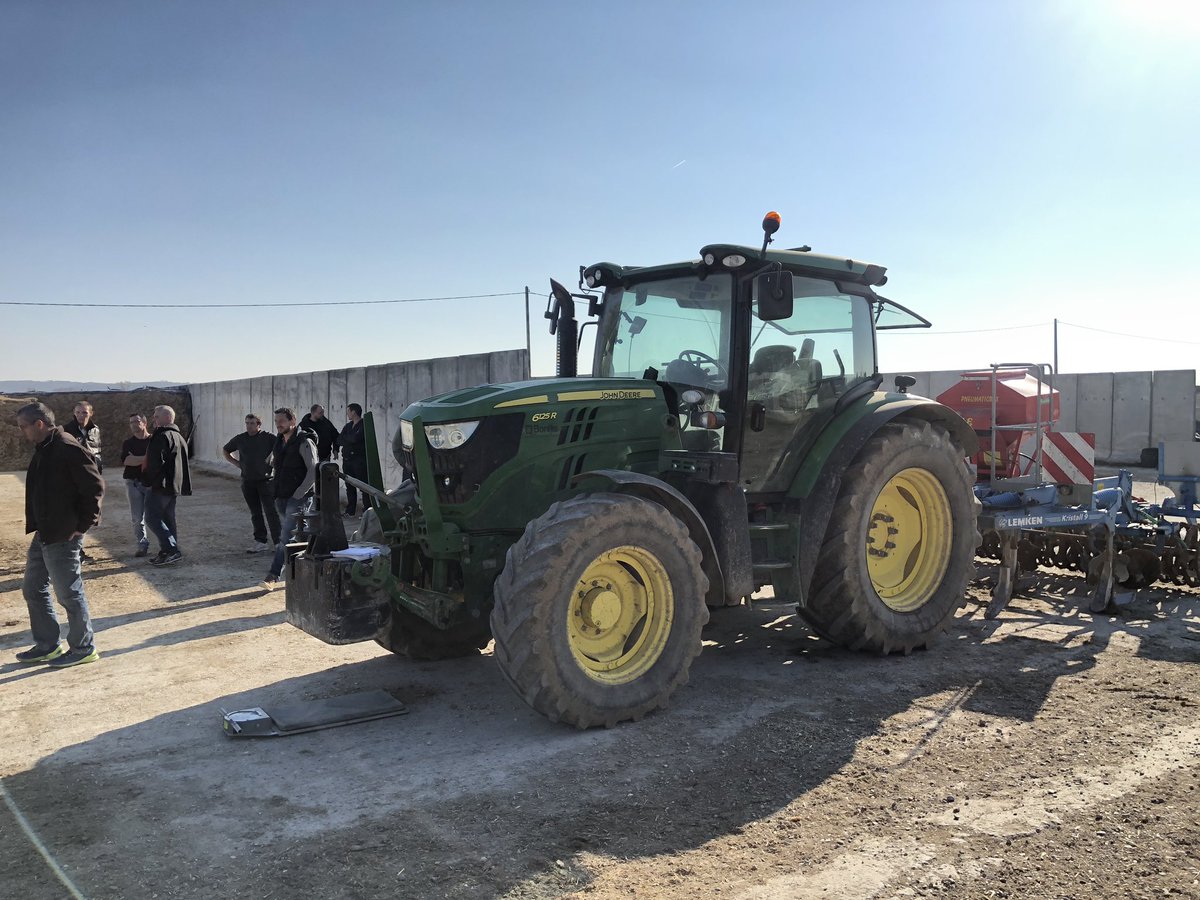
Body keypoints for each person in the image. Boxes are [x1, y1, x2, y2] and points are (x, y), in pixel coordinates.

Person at [14, 402, 104, 668]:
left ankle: (83, 648)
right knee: (33, 589)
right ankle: (48, 645)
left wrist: (83, 525)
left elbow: (95, 485)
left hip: (64, 534)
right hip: (45, 530)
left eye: (23, 427)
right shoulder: (46, 447)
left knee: (69, 594)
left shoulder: (66, 446)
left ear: (39, 424)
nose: (22, 432)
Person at [261, 407, 317, 591]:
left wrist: (299, 493)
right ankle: (312, 566)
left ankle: (273, 575)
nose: (278, 424)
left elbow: (313, 470)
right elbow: (272, 462)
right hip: (281, 496)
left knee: (286, 536)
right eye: (276, 421)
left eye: (282, 421)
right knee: (300, 533)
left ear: (293, 421)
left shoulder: (304, 441)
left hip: (298, 497)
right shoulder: (279, 441)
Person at [223, 413, 281, 553]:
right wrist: (238, 464)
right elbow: (226, 450)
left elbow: (281, 448)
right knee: (255, 513)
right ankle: (260, 542)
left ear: (258, 424)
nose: (249, 426)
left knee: (271, 512)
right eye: (247, 423)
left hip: (266, 481)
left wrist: (275, 463)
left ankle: (278, 542)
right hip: (248, 481)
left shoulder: (268, 438)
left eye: (252, 423)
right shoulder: (240, 438)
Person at [142, 404, 191, 566]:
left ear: (167, 417)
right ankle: (168, 551)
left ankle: (170, 549)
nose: (154, 419)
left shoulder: (162, 436)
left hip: (160, 486)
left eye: (157, 416)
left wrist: (148, 481)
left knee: (152, 517)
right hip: (172, 486)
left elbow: (155, 463)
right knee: (168, 519)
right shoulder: (178, 436)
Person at [63, 400, 102, 562]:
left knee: (87, 514)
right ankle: (75, 551)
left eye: (84, 412)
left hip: (91, 477)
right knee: (75, 515)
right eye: (78, 412)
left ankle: (78, 550)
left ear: (90, 413)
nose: (81, 415)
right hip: (74, 479)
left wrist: (98, 475)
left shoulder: (95, 430)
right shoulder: (66, 431)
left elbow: (98, 453)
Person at [119, 413, 153, 557]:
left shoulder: (154, 441)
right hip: (132, 482)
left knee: (155, 516)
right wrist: (146, 458)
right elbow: (127, 461)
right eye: (131, 422)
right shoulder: (128, 443)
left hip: (151, 483)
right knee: (137, 518)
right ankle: (142, 545)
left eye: (136, 421)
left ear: (144, 422)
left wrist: (136, 459)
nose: (133, 424)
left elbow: (157, 460)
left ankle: (167, 545)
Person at [340, 403, 369, 517]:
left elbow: (356, 438)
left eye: (348, 411)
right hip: (347, 460)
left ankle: (367, 511)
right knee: (349, 486)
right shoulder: (348, 426)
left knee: (363, 486)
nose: (347, 414)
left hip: (359, 461)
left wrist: (347, 439)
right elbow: (339, 439)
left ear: (354, 412)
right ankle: (350, 511)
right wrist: (348, 439)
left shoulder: (363, 425)